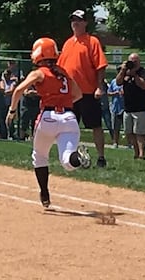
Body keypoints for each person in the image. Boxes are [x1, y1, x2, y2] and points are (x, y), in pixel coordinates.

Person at [6, 37, 91, 209]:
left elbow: (18, 90)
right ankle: (79, 157)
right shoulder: (63, 72)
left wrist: (12, 110)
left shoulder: (39, 73)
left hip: (48, 117)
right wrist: (63, 100)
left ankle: (44, 193)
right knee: (68, 162)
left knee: (39, 156)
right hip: (69, 117)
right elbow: (78, 95)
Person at [57, 10, 109, 167]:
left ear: (86, 23)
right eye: (73, 20)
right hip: (70, 94)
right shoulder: (67, 43)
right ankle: (72, 157)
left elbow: (100, 66)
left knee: (95, 125)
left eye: (79, 20)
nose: (75, 23)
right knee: (69, 126)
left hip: (87, 92)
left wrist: (99, 87)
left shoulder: (92, 41)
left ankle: (101, 157)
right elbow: (61, 68)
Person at [115, 53, 145, 160]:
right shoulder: (125, 72)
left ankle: (142, 154)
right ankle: (136, 153)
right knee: (129, 132)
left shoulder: (144, 72)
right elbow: (118, 82)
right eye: (131, 61)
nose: (133, 63)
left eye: (135, 61)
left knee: (140, 133)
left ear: (139, 62)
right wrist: (123, 71)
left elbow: (144, 85)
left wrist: (135, 74)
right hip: (128, 108)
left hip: (141, 108)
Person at [106, 76, 124, 147]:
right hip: (116, 107)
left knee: (128, 128)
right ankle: (115, 142)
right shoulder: (113, 81)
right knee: (116, 127)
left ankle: (130, 143)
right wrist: (115, 93)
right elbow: (108, 93)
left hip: (125, 107)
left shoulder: (126, 81)